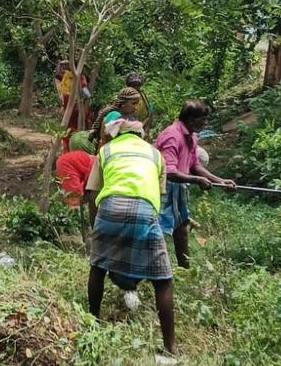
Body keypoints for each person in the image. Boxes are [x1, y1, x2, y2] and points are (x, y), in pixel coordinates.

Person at [85, 117, 175, 356]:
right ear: (141, 136)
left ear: (117, 134)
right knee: (163, 280)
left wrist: (96, 229)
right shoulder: (156, 155)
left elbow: (92, 193)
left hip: (110, 206)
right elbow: (159, 195)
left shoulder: (106, 150)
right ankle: (170, 348)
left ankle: (93, 323)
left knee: (98, 267)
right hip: (145, 209)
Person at [154, 101, 236, 268]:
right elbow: (169, 172)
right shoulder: (172, 136)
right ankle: (156, 272)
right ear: (190, 119)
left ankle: (185, 270)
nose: (205, 123)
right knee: (157, 232)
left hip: (179, 187)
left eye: (206, 119)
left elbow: (194, 165)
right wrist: (197, 180)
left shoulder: (191, 136)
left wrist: (219, 181)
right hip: (162, 188)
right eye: (202, 119)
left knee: (181, 229)